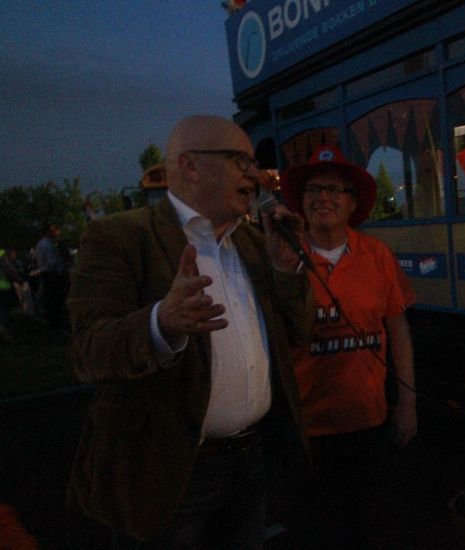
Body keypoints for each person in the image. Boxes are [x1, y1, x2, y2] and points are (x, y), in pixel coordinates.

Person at [65, 115, 314, 548]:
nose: (254, 175)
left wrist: (285, 269)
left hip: (250, 462)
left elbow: (298, 332)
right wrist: (161, 322)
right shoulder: (119, 236)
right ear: (190, 166)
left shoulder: (254, 243)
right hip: (166, 473)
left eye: (254, 163)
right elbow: (88, 351)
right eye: (240, 161)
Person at [280, 145, 417, 547]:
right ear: (301, 201)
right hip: (308, 429)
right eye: (314, 189)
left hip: (369, 423)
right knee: (316, 529)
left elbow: (398, 329)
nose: (323, 197)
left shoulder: (377, 255)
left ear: (353, 203)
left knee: (368, 524)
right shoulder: (284, 258)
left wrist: (407, 405)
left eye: (335, 190)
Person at [34, 224, 68, 329]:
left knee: (53, 299)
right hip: (52, 275)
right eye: (53, 230)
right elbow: (51, 263)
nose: (56, 232)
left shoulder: (48, 244)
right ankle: (54, 323)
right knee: (54, 300)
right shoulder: (46, 244)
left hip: (52, 274)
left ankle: (54, 321)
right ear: (48, 232)